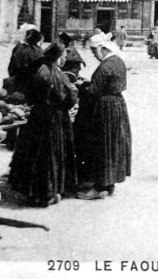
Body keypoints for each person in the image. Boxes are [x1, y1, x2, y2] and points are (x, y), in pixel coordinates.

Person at [9, 43, 78, 207]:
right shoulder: (58, 75)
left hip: (37, 117)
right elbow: (70, 98)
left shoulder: (38, 70)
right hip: (55, 119)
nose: (65, 59)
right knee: (51, 156)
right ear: (58, 57)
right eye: (64, 56)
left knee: (34, 155)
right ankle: (48, 194)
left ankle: (33, 193)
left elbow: (27, 92)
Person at [75, 40, 132, 199]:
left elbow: (93, 91)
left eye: (94, 51)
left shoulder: (106, 65)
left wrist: (81, 86)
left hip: (106, 109)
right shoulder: (118, 61)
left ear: (103, 49)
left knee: (102, 146)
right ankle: (108, 184)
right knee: (113, 146)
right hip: (117, 106)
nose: (94, 54)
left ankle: (99, 188)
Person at [7, 29, 44, 95]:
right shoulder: (39, 51)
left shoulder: (18, 48)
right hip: (33, 84)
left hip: (17, 81)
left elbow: (12, 67)